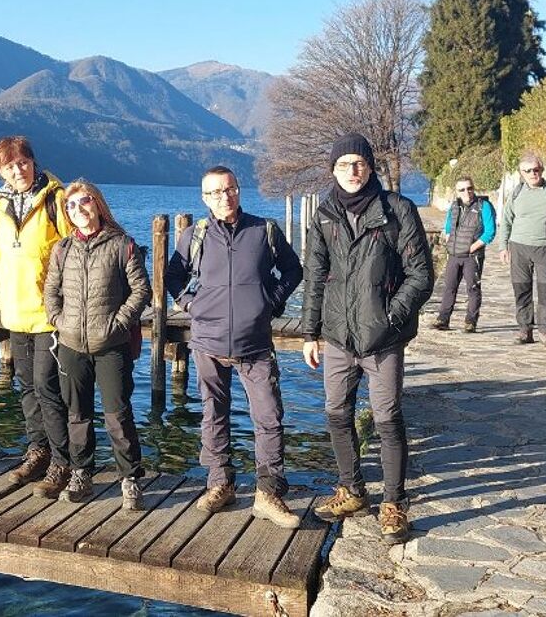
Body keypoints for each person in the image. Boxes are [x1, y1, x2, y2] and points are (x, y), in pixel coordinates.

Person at [301, 134, 432, 544]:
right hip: (338, 335)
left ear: (371, 167)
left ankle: (394, 503)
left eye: (358, 163)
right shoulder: (325, 214)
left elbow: (421, 275)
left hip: (384, 337)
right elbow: (314, 277)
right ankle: (352, 489)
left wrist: (392, 315)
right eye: (343, 165)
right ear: (333, 170)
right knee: (336, 412)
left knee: (387, 417)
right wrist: (309, 332)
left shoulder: (397, 209)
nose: (352, 171)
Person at [165, 166, 304, 526]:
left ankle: (269, 492)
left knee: (269, 416)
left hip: (255, 342)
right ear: (204, 198)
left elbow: (293, 270)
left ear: (239, 190)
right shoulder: (195, 235)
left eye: (229, 189)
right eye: (215, 192)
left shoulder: (264, 230)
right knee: (213, 414)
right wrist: (190, 304)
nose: (223, 197)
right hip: (207, 342)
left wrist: (271, 301)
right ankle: (220, 483)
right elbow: (173, 275)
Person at [44, 180, 150, 511]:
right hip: (71, 345)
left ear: (98, 203)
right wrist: (59, 321)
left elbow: (141, 291)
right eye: (71, 205)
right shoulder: (63, 249)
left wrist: (118, 324)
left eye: (84, 201)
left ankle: (129, 477)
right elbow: (51, 291)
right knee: (77, 414)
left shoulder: (122, 244)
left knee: (118, 414)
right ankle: (81, 473)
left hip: (112, 345)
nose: (78, 209)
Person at [0, 136, 72, 496]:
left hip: (49, 314)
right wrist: (7, 292)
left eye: (23, 162)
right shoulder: (0, 205)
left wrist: (60, 298)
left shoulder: (56, 199)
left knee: (48, 387)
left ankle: (62, 462)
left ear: (34, 162)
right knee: (25, 387)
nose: (18, 170)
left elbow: (71, 250)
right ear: (0, 171)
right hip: (16, 312)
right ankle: (37, 450)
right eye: (9, 166)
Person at [496, 154, 546, 345]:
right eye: (528, 170)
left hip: (545, 248)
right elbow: (506, 220)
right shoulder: (517, 192)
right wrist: (503, 246)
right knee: (521, 289)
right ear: (521, 173)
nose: (532, 173)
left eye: (536, 169)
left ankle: (545, 331)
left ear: (542, 170)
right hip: (519, 247)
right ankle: (525, 330)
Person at [432, 176, 494, 333]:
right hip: (454, 254)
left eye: (469, 188)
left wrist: (473, 247)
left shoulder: (483, 206)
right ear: (457, 191)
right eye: (462, 189)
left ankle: (470, 322)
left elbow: (490, 231)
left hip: (472, 256)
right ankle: (443, 319)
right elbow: (448, 226)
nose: (467, 192)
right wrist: (448, 239)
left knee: (472, 288)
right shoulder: (454, 206)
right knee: (449, 287)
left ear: (473, 188)